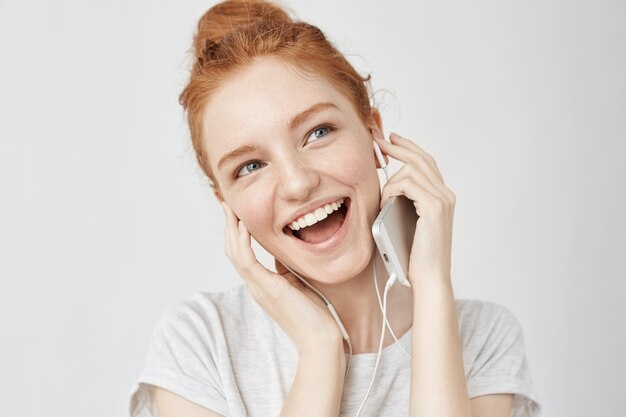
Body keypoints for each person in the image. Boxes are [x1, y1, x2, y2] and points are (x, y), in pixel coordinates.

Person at [130, 1, 541, 416]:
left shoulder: (484, 339)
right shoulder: (201, 345)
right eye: (250, 166)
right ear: (227, 202)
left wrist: (432, 282)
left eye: (317, 132)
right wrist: (319, 348)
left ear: (373, 134)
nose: (297, 182)